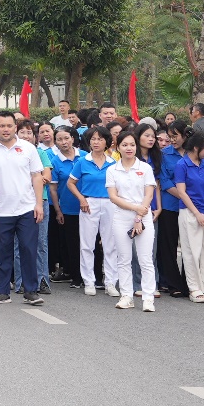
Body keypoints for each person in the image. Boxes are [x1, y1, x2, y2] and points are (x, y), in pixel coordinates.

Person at [0, 111, 44, 306]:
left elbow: (37, 176)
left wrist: (39, 204)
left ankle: (31, 291)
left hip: (27, 208)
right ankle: (2, 291)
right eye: (2, 126)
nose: (6, 129)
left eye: (9, 126)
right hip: (0, 211)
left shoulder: (28, 148)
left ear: (15, 127)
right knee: (1, 252)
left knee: (29, 250)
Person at [105, 130, 157, 312]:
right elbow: (113, 197)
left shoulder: (145, 168)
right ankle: (126, 295)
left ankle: (148, 298)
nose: (129, 148)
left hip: (143, 215)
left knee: (145, 259)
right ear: (118, 147)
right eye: (125, 145)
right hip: (122, 216)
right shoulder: (112, 169)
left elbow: (149, 194)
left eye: (132, 145)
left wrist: (139, 216)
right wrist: (135, 210)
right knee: (124, 259)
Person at [64, 125, 116, 296]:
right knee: (87, 244)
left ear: (106, 142)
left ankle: (110, 282)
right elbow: (71, 183)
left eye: (100, 139)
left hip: (110, 203)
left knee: (110, 244)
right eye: (93, 139)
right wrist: (81, 199)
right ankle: (89, 281)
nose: (96, 142)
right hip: (89, 203)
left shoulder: (113, 163)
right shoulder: (82, 161)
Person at [173, 131, 204, 302]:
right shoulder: (182, 165)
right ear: (195, 147)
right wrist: (197, 214)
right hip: (189, 212)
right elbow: (182, 192)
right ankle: (194, 288)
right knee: (191, 251)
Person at [157, 120, 189, 297]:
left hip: (192, 207)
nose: (172, 140)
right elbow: (164, 180)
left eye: (175, 136)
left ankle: (188, 282)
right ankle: (173, 283)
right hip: (170, 204)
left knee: (189, 245)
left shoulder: (194, 152)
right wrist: (184, 196)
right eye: (170, 136)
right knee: (168, 245)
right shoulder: (164, 154)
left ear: (185, 135)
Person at [48, 127, 81, 284]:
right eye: (59, 139)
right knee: (71, 243)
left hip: (88, 207)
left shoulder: (85, 157)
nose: (64, 142)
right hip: (68, 208)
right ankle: (74, 274)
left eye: (66, 138)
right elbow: (53, 189)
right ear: (55, 142)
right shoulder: (55, 162)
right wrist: (58, 210)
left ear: (72, 139)